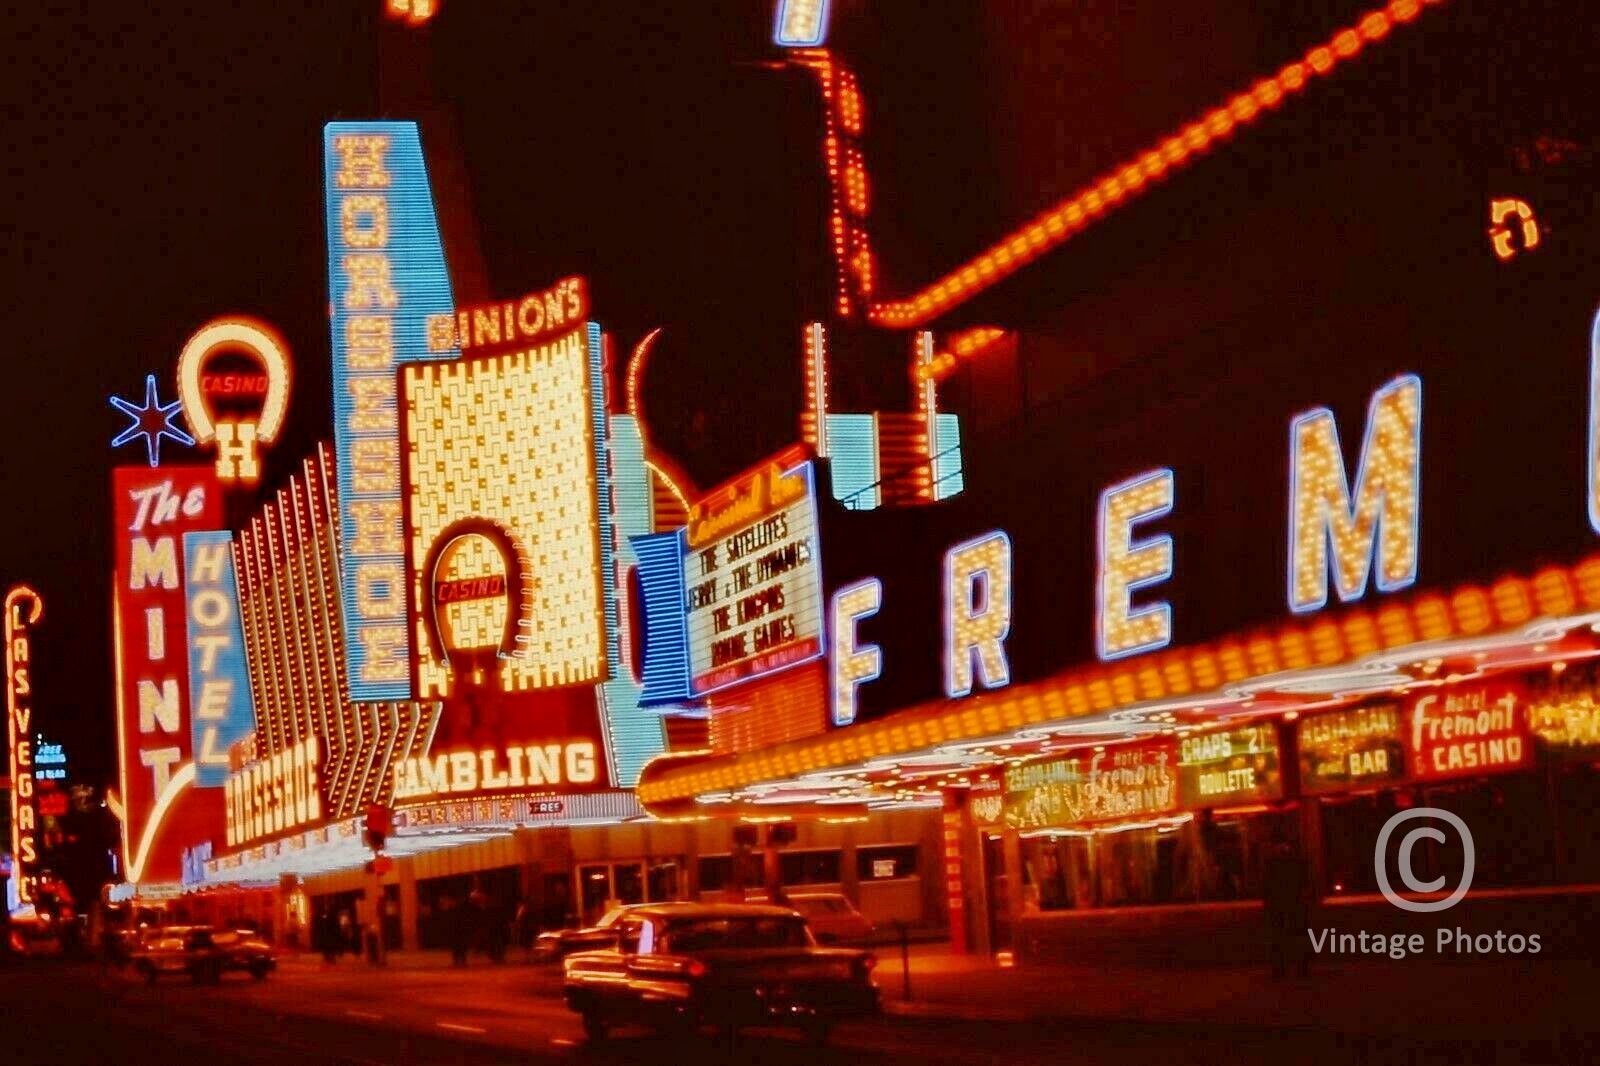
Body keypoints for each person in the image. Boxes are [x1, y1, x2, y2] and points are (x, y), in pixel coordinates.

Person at [1262, 820, 1312, 980]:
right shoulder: (1295, 857)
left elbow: (1266, 884)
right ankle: (1301, 967)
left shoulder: (1271, 860)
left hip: (1278, 903)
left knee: (1278, 937)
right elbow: (1304, 879)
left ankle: (1280, 969)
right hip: (1294, 901)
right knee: (1297, 934)